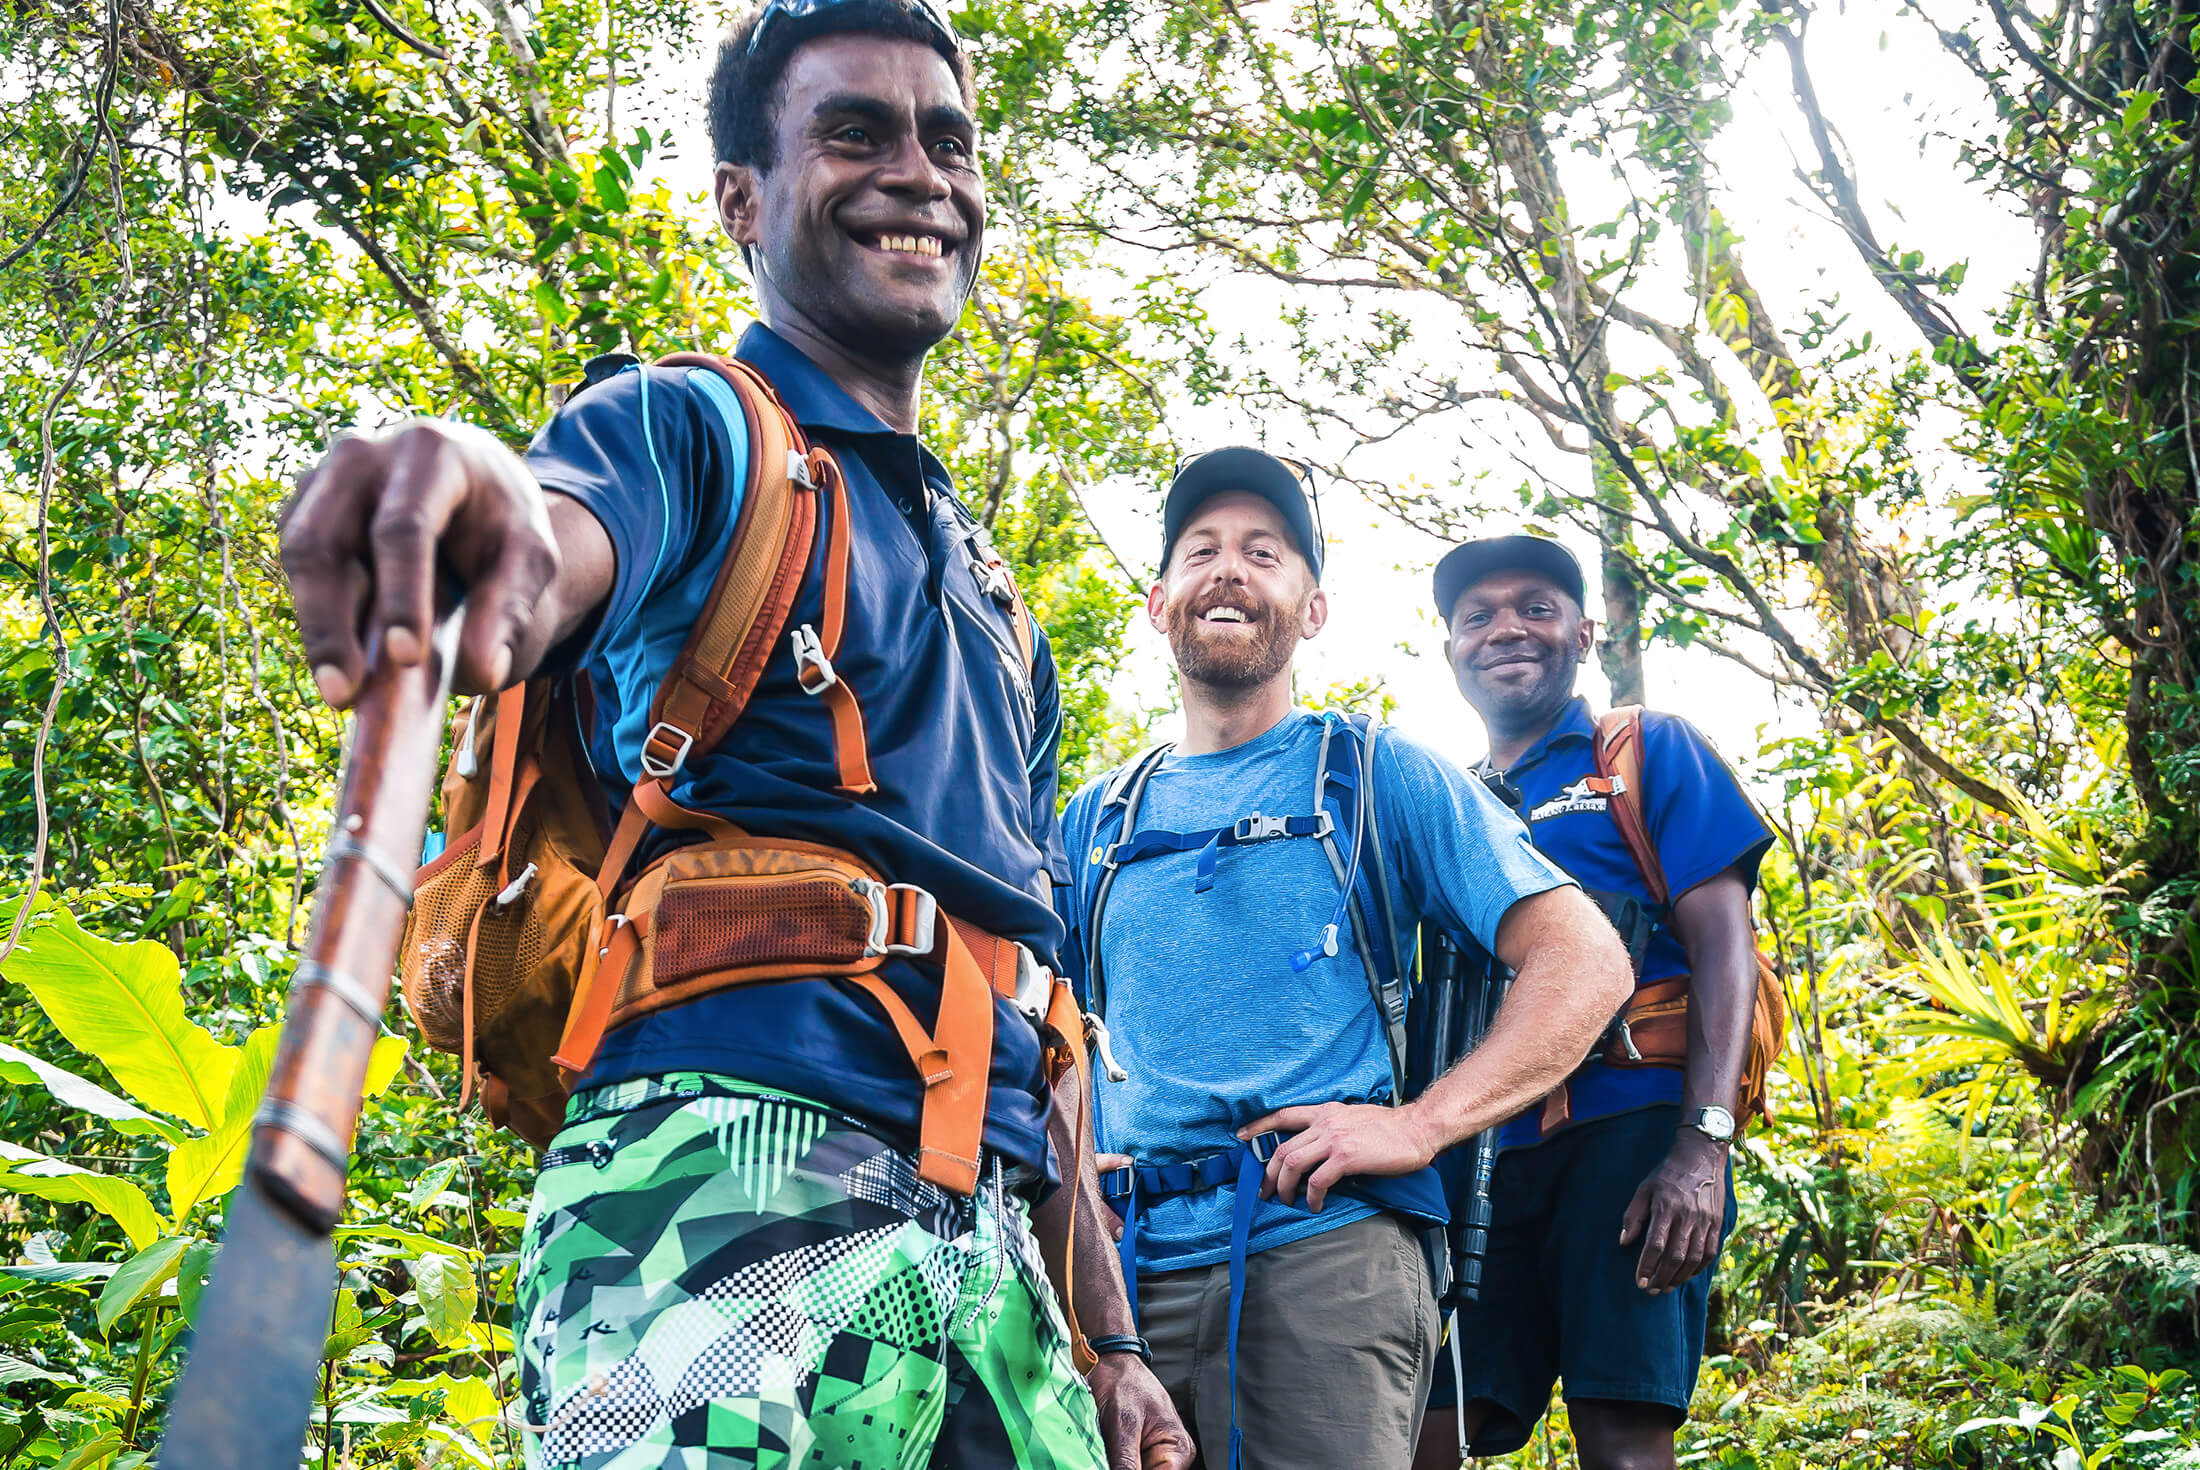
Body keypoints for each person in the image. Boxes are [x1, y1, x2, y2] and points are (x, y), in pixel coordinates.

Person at [276, 3, 1192, 1466]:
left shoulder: (1003, 613)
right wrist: (470, 509)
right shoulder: (694, 428)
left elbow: (1044, 1013)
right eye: (854, 133)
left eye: (947, 141)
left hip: (1000, 1257)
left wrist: (1117, 1346)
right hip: (723, 1179)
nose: (919, 172)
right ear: (741, 200)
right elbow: (548, 546)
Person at [1053, 453, 1635, 1470]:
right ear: (1158, 602)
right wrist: (1071, 1180)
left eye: (1263, 555)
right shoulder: (1094, 819)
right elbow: (1041, 1028)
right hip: (1119, 1285)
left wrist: (1422, 1122)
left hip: (1325, 1255)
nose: (1228, 571)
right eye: (1202, 552)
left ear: (1310, 609)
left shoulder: (1373, 772)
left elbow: (1584, 960)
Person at [1413, 535, 1772, 1470]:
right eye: (1477, 616)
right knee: (1431, 1425)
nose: (1506, 630)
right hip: (1480, 1147)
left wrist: (1703, 1149)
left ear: (1583, 630)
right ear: (1450, 647)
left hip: (1632, 1132)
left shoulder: (1644, 751)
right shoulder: (1447, 799)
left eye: (1535, 606)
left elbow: (1724, 947)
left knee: (1621, 1435)